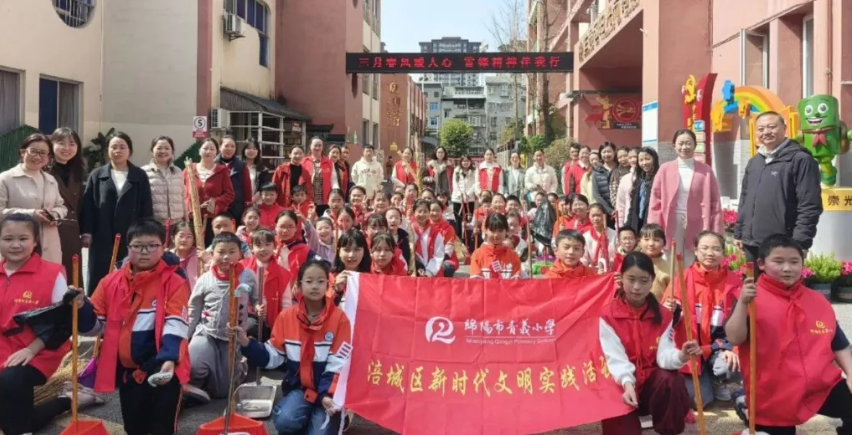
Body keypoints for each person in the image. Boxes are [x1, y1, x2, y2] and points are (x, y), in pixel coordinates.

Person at [725, 234, 852, 434]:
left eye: (794, 262)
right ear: (762, 264)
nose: (787, 268)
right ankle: (744, 405)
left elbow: (838, 342)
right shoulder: (750, 298)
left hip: (820, 385)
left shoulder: (817, 300)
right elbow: (735, 338)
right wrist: (742, 303)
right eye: (778, 261)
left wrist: (851, 374)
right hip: (773, 394)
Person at [77, 219, 189, 435]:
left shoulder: (174, 282)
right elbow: (96, 327)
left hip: (164, 365)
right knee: (134, 426)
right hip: (128, 370)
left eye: (152, 245)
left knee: (163, 427)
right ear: (128, 248)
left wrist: (168, 359)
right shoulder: (109, 282)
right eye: (137, 246)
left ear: (163, 247)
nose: (144, 252)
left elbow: (176, 323)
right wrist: (82, 307)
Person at [0, 214, 98, 435]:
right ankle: (66, 401)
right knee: (11, 415)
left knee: (10, 380)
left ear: (35, 241)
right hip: (4, 348)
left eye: (23, 238)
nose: (15, 245)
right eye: (7, 239)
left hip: (41, 349)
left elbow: (62, 322)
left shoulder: (51, 274)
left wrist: (31, 349)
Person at [229, 259, 350, 435]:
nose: (315, 286)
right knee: (285, 421)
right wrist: (246, 343)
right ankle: (306, 415)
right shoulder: (286, 317)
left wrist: (326, 395)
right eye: (309, 281)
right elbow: (273, 355)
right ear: (299, 285)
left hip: (328, 392)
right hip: (300, 388)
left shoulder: (340, 319)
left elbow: (339, 363)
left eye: (320, 281)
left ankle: (335, 417)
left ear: (327, 285)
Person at [598, 251, 698, 435]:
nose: (637, 287)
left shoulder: (664, 314)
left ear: (652, 280)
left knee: (672, 380)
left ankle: (669, 430)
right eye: (631, 279)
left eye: (644, 281)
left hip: (651, 384)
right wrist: (627, 384)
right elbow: (615, 358)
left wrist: (682, 355)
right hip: (621, 385)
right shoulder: (607, 315)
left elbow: (664, 356)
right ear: (621, 278)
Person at [733, 112, 822, 277]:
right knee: (753, 288)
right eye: (761, 129)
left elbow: (809, 205)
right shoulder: (755, 162)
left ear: (785, 128)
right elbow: (745, 199)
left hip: (783, 246)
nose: (766, 132)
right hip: (752, 244)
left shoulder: (800, 159)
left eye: (772, 127)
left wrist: (800, 242)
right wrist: (739, 232)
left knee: (780, 289)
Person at [665, 231, 742, 406]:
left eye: (716, 249)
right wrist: (671, 311)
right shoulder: (682, 278)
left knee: (729, 367)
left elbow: (744, 321)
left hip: (719, 347)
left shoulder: (734, 282)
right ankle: (703, 381)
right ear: (696, 251)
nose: (710, 253)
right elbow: (667, 322)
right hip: (691, 350)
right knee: (697, 401)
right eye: (705, 248)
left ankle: (720, 380)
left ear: (723, 252)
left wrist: (734, 349)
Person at [184, 232, 258, 403]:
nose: (226, 257)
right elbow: (193, 309)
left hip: (233, 337)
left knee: (222, 391)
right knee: (194, 366)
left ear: (240, 254)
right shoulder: (205, 279)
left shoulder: (248, 276)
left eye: (232, 252)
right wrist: (185, 337)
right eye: (221, 252)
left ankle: (240, 367)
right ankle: (195, 388)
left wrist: (260, 307)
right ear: (212, 254)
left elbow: (256, 300)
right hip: (207, 333)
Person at [81, 132, 154, 295]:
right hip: (102, 234)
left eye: (122, 147)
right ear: (107, 150)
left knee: (129, 274)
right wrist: (87, 232)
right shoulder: (97, 175)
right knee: (100, 276)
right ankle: (97, 307)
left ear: (130, 151)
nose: (118, 151)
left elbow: (146, 206)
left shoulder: (139, 176)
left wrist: (146, 233)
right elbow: (88, 206)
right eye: (114, 147)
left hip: (131, 234)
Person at [649, 130, 723, 267]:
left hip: (698, 221)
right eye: (681, 143)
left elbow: (715, 202)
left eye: (688, 143)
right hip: (670, 220)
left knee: (693, 257)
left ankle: (689, 281)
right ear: (674, 146)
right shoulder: (665, 169)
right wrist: (654, 226)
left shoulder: (706, 171)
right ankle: (673, 281)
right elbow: (655, 199)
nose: (684, 147)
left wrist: (716, 229)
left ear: (695, 145)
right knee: (670, 257)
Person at [0, 133, 67, 265]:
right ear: (22, 152)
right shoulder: (5, 179)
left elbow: (61, 206)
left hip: (48, 246)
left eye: (43, 153)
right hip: (16, 247)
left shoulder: (50, 180)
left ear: (48, 157)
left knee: (48, 276)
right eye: (33, 151)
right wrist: (31, 214)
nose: (37, 156)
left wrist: (54, 215)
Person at [48, 127, 86, 279]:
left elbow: (82, 205)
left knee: (72, 277)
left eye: (72, 144)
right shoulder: (43, 170)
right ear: (51, 145)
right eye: (61, 143)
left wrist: (85, 232)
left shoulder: (79, 171)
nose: (67, 148)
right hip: (50, 230)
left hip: (72, 233)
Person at [240, 229, 292, 339]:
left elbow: (286, 303)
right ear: (251, 248)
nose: (263, 249)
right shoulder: (242, 267)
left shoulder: (283, 273)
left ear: (274, 246)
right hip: (247, 317)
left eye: (267, 245)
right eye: (258, 245)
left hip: (271, 321)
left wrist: (285, 324)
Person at [184, 138, 235, 246]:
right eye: (205, 148)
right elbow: (182, 193)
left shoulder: (222, 170)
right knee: (192, 248)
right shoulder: (189, 169)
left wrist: (214, 202)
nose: (208, 151)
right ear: (199, 150)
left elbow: (230, 195)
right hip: (192, 218)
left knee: (211, 248)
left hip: (214, 220)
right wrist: (189, 209)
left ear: (216, 152)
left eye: (212, 149)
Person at [142, 136, 186, 226]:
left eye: (167, 148)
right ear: (152, 150)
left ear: (172, 151)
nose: (163, 151)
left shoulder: (178, 171)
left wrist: (186, 220)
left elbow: (182, 197)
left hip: (177, 223)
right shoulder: (143, 172)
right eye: (159, 148)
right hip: (154, 224)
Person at [216, 136, 253, 226]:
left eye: (232, 146)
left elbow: (247, 187)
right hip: (217, 206)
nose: (229, 149)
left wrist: (247, 206)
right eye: (226, 146)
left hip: (236, 207)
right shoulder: (213, 164)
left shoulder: (241, 166)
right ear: (220, 147)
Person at [470, 214, 521, 279]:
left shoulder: (513, 256)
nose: (496, 235)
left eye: (500, 231)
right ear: (486, 230)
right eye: (492, 230)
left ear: (506, 231)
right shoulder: (477, 255)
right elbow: (476, 281)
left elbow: (516, 281)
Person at [329, 230, 371, 304]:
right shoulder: (329, 278)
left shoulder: (372, 278)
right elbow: (322, 306)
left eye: (357, 250)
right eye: (346, 250)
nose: (351, 255)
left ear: (364, 251)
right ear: (339, 252)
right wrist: (336, 290)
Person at [625, 147, 660, 233]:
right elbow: (632, 207)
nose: (644, 163)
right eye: (641, 160)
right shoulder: (640, 180)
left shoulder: (659, 178)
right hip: (637, 223)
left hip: (652, 225)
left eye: (647, 159)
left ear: (654, 159)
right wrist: (627, 226)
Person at [303, 138, 339, 217]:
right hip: (309, 200)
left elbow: (334, 180)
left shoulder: (329, 162)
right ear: (310, 146)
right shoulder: (304, 162)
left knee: (324, 220)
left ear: (322, 147)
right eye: (315, 145)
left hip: (325, 199)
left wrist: (336, 192)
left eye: (320, 145)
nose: (317, 148)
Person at [410, 199, 445, 277]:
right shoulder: (409, 230)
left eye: (425, 211)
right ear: (414, 212)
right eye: (419, 211)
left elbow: (438, 255)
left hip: (431, 272)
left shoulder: (435, 232)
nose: (422, 214)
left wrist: (428, 272)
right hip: (413, 270)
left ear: (429, 213)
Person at [639, 224, 671, 301]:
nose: (651, 244)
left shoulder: (669, 269)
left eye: (656, 240)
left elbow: (672, 294)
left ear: (664, 244)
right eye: (646, 239)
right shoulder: (632, 262)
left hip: (658, 307)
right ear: (639, 242)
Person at [429, 200, 459, 277]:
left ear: (442, 211)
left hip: (445, 259)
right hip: (427, 258)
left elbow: (448, 251)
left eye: (438, 211)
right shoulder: (424, 226)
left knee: (445, 269)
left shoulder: (448, 228)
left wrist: (436, 262)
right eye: (432, 210)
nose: (435, 213)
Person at [584, 203, 618, 273]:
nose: (596, 218)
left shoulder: (614, 234)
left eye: (598, 215)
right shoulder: (586, 236)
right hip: (593, 271)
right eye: (593, 216)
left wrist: (610, 264)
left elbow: (617, 254)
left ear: (604, 216)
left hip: (612, 270)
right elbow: (584, 258)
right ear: (589, 217)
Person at [590, 142, 618, 227]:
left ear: (614, 152)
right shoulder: (597, 172)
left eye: (609, 151)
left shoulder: (620, 169)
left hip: (621, 210)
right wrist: (610, 211)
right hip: (605, 213)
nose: (606, 154)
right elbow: (596, 194)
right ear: (600, 154)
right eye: (604, 152)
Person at [452, 155, 476, 238]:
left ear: (470, 162)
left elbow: (475, 183)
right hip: (457, 199)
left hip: (470, 199)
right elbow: (454, 183)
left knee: (469, 219)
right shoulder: (457, 170)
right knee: (458, 219)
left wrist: (468, 194)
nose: (466, 163)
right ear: (461, 162)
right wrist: (460, 194)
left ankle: (468, 238)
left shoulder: (474, 171)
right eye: (464, 161)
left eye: (467, 161)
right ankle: (459, 238)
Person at [170, 220, 200, 290]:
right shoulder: (167, 257)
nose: (184, 240)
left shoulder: (200, 256)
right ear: (173, 238)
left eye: (189, 237)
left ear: (194, 240)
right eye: (181, 236)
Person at [242, 137, 272, 201]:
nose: (251, 151)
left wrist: (252, 200)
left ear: (258, 151)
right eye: (248, 148)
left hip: (256, 202)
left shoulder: (263, 170)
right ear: (243, 150)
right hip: (239, 202)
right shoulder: (237, 167)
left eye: (254, 148)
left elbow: (263, 187)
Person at [615, 148, 639, 227]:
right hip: (629, 222)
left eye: (635, 157)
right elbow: (620, 204)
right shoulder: (625, 179)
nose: (633, 160)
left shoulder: (649, 177)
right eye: (630, 158)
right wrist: (619, 225)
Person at [609, 146, 632, 219]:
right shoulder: (615, 173)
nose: (623, 159)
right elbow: (613, 194)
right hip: (622, 209)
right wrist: (619, 208)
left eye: (625, 156)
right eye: (620, 157)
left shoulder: (637, 170)